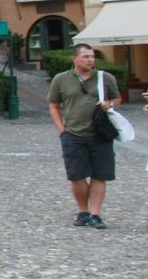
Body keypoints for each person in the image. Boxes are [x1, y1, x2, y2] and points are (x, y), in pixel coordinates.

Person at [47, 43, 119, 230]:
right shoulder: (61, 79)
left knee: (99, 175)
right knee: (77, 176)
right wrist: (62, 128)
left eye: (92, 56)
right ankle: (83, 211)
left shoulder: (105, 78)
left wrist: (109, 105)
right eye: (86, 56)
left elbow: (117, 98)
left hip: (100, 134)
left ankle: (95, 214)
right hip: (73, 134)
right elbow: (54, 104)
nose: (90, 60)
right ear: (75, 58)